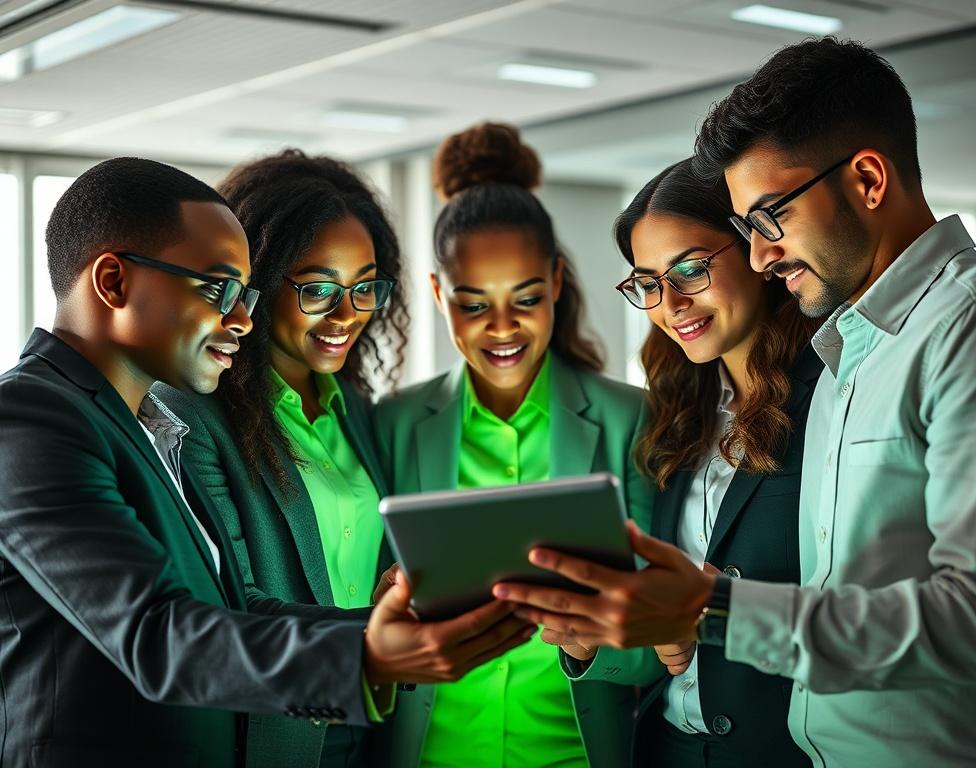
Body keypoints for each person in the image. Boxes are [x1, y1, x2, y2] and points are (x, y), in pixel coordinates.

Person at [493, 38, 976, 767]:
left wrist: (711, 609)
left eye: (770, 219)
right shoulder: (853, 350)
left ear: (867, 179)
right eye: (747, 231)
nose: (763, 256)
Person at [0, 157, 535, 768]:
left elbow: (232, 609)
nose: (243, 319)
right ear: (115, 282)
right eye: (219, 288)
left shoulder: (145, 425)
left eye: (246, 293)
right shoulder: (29, 419)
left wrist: (384, 625)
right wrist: (370, 658)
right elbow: (155, 632)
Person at [374, 122, 654, 768]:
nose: (502, 329)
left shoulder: (629, 419)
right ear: (440, 295)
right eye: (474, 306)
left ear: (557, 281)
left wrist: (589, 643)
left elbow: (662, 636)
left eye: (526, 299)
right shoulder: (392, 423)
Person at [553, 157, 818, 767]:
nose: (669, 303)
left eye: (690, 270)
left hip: (783, 751)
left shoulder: (833, 400)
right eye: (647, 282)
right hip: (670, 747)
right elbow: (667, 630)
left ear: (756, 248)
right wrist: (598, 640)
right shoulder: (678, 415)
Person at [153, 149, 409, 768]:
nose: (346, 314)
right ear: (258, 282)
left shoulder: (356, 408)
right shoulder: (192, 414)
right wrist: (372, 631)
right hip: (272, 732)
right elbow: (227, 602)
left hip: (373, 720)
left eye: (364, 288)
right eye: (318, 288)